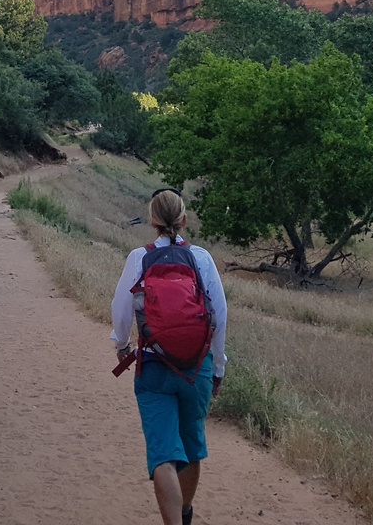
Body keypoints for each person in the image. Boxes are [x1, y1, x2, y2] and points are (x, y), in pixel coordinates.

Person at [111, 187, 228, 525]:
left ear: (152, 221)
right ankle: (186, 514)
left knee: (163, 453)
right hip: (197, 369)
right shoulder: (201, 258)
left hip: (155, 367)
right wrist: (217, 367)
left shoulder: (139, 257)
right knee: (191, 446)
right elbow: (219, 316)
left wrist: (121, 346)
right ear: (184, 220)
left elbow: (120, 310)